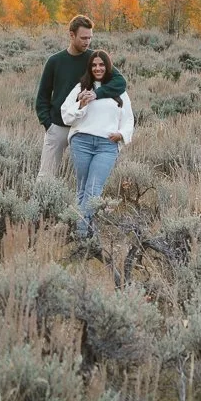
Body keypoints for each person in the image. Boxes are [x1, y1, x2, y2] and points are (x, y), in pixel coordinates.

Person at [35, 14, 126, 179]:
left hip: (86, 127)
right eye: (83, 38)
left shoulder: (94, 60)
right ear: (71, 35)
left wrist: (96, 94)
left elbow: (120, 82)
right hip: (58, 126)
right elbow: (42, 97)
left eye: (90, 38)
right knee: (46, 176)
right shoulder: (55, 61)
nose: (87, 42)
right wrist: (48, 124)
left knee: (87, 177)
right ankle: (44, 204)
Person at [60, 49, 133, 239]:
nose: (98, 68)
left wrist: (122, 134)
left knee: (93, 189)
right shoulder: (81, 87)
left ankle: (82, 235)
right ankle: (87, 233)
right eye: (94, 65)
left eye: (101, 64)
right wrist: (81, 104)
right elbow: (66, 116)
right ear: (89, 68)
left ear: (108, 66)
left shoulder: (118, 90)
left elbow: (128, 119)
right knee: (83, 189)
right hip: (81, 141)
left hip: (106, 145)